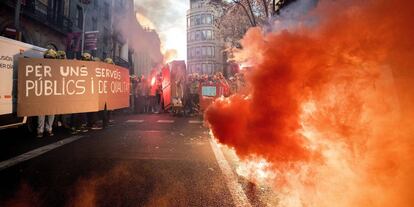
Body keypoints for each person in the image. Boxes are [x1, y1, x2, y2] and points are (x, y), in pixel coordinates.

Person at [37, 49, 57, 138]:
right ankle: (41, 130)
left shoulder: (57, 67)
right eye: (48, 57)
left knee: (50, 113)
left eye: (51, 57)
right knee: (42, 113)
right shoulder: (39, 65)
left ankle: (48, 129)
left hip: (52, 95)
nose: (49, 59)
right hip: (42, 94)